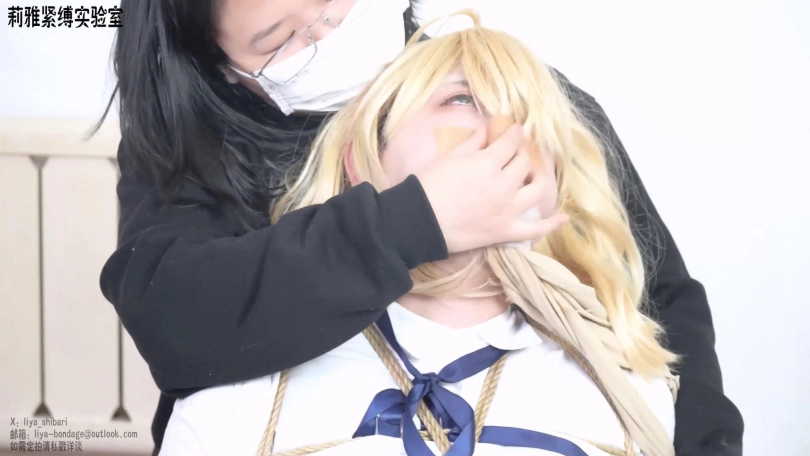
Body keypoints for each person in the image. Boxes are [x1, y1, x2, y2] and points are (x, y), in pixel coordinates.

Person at [97, 0, 743, 454]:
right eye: (279, 42)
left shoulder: (525, 100)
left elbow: (659, 300)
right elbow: (174, 313)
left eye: (334, 0)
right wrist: (416, 221)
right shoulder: (234, 413)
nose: (327, 32)